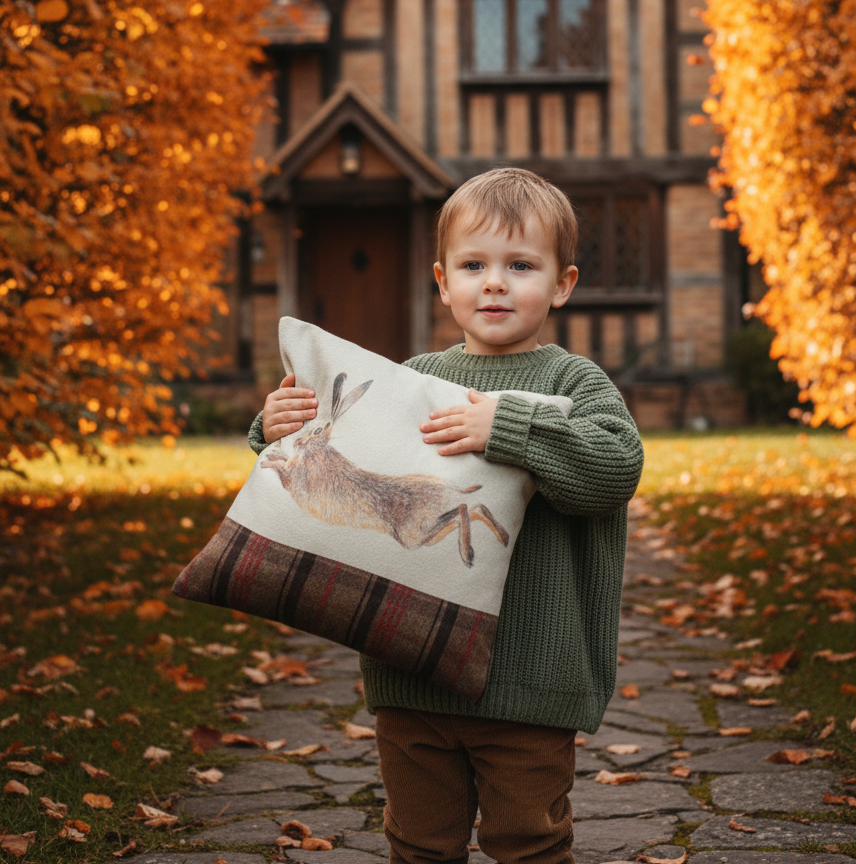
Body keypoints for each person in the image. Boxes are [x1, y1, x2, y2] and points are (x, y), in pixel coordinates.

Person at [247, 167, 644, 864]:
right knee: (419, 843)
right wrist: (276, 428)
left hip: (530, 682)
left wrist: (511, 429)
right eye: (474, 265)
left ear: (562, 283)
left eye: (520, 265)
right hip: (411, 673)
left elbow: (613, 472)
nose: (494, 282)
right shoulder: (413, 379)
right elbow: (341, 452)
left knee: (530, 842)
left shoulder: (572, 383)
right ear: (443, 281)